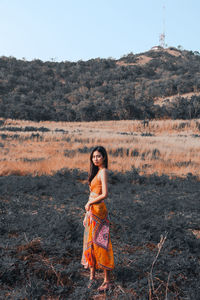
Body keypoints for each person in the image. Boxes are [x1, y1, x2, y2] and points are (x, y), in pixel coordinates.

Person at [81, 146, 114, 291]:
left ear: (104, 158)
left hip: (99, 210)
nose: (96, 159)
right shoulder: (96, 172)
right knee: (90, 242)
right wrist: (87, 212)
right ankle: (92, 276)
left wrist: (89, 203)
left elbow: (105, 194)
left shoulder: (104, 172)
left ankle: (107, 281)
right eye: (94, 156)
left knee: (101, 242)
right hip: (92, 211)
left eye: (99, 156)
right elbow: (93, 193)